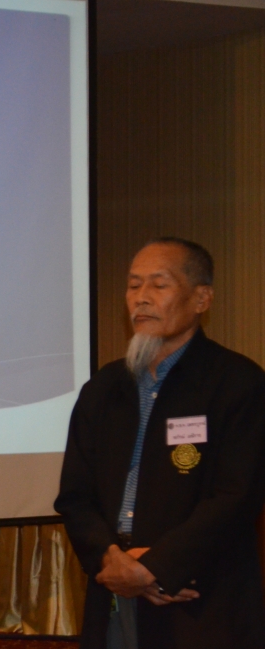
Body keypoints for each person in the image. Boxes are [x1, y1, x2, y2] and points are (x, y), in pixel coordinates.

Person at [55, 237, 265, 649]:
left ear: (201, 299)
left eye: (159, 284)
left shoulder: (238, 382)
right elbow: (75, 496)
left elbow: (236, 497)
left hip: (197, 595)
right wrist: (112, 560)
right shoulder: (104, 387)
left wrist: (155, 567)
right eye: (134, 285)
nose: (141, 298)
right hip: (114, 586)